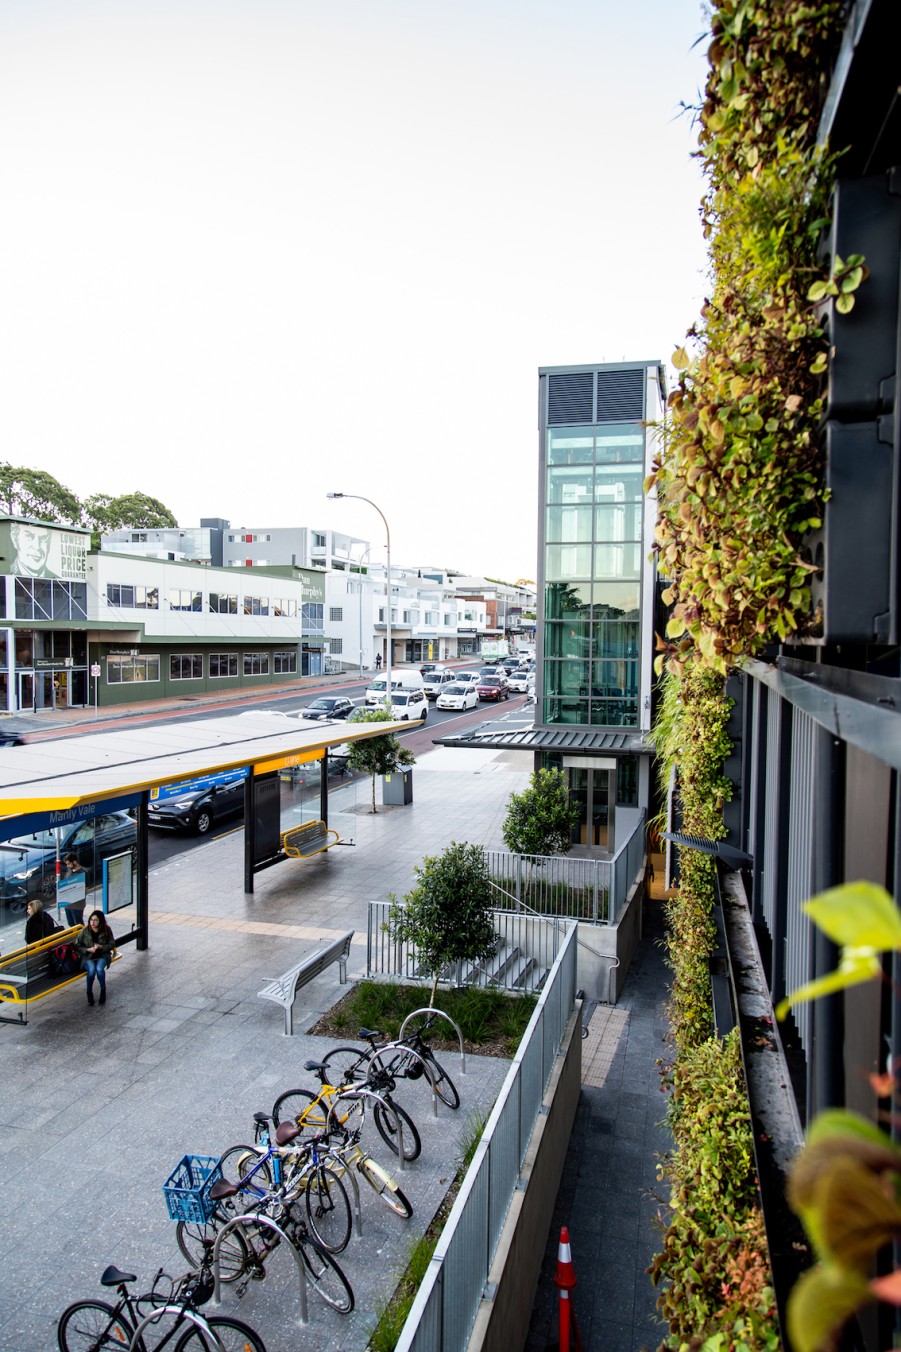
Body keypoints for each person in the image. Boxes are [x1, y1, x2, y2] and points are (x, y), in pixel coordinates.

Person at [75, 909, 116, 1007]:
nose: (92, 923)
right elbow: (77, 945)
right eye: (91, 920)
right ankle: (89, 993)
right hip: (87, 957)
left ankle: (103, 991)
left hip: (102, 955)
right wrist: (88, 950)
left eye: (95, 920)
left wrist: (101, 947)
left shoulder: (106, 929)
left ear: (100, 921)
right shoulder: (85, 931)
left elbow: (112, 943)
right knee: (92, 970)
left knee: (99, 969)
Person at [61, 851, 86, 928]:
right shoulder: (69, 871)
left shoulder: (83, 872)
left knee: (78, 924)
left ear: (75, 862)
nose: (68, 866)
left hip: (77, 904)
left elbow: (86, 889)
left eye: (69, 864)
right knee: (71, 923)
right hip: (68, 904)